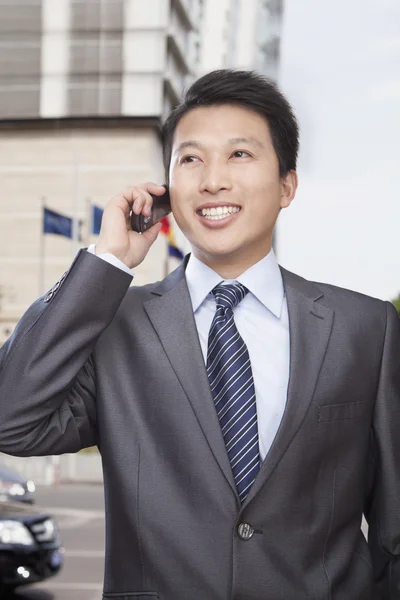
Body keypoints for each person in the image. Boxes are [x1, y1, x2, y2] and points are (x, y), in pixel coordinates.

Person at [0, 69, 399, 600]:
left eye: (240, 155)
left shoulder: (365, 328)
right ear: (168, 183)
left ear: (287, 185)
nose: (213, 180)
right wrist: (107, 263)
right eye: (191, 158)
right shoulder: (116, 326)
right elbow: (12, 421)